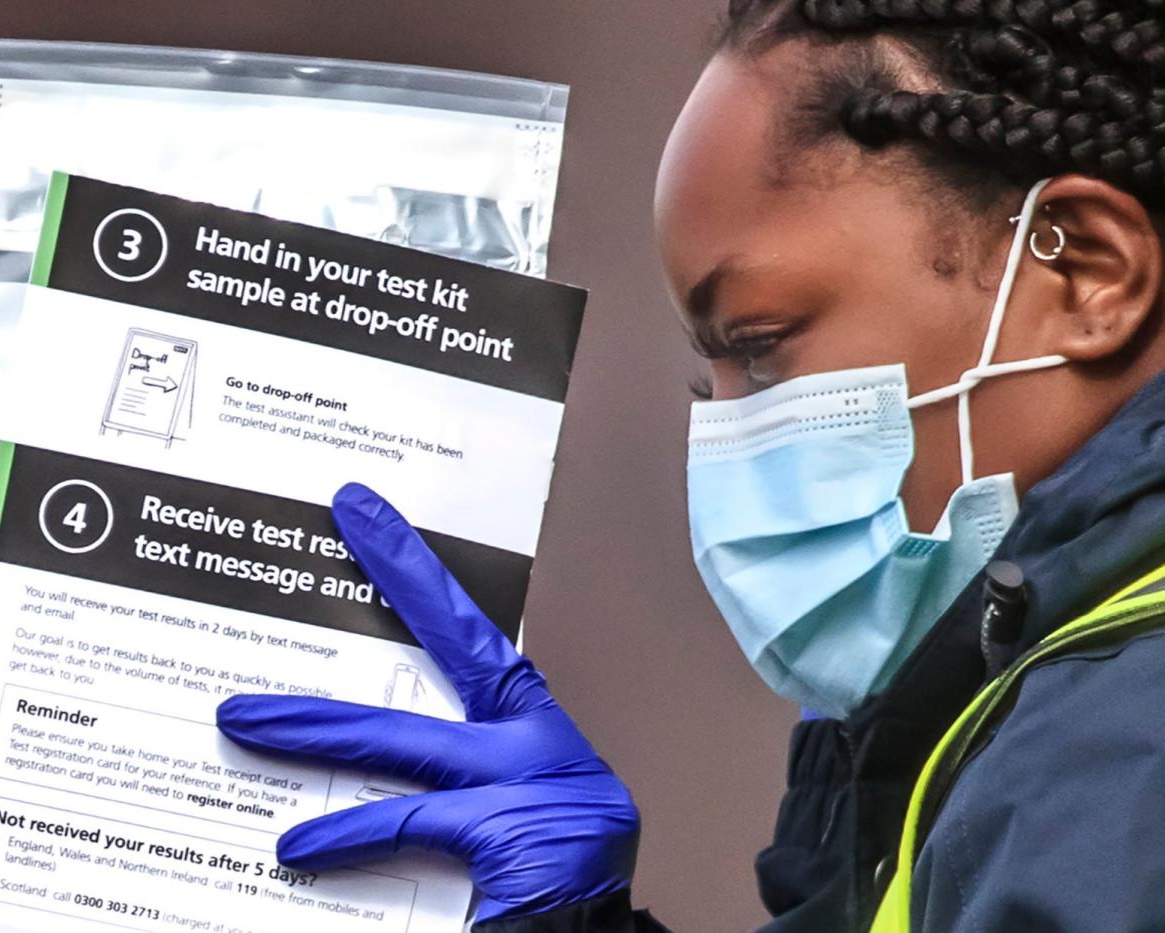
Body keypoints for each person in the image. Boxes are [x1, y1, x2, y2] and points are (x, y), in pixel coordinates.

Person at [216, 1, 1165, 930]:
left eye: (761, 347)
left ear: (1083, 271)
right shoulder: (1006, 718)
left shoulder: (1116, 750)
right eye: (709, 388)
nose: (729, 445)